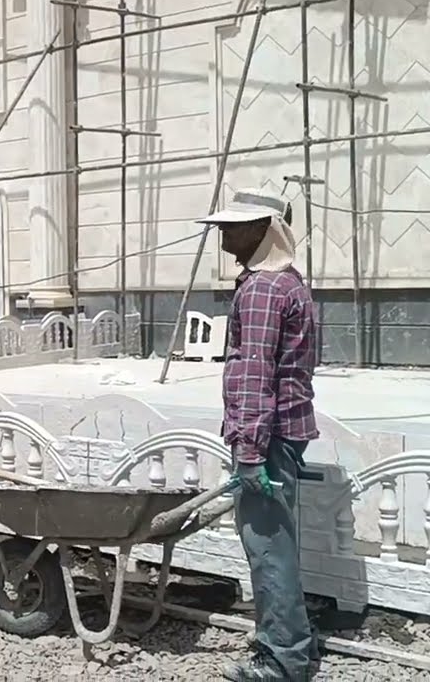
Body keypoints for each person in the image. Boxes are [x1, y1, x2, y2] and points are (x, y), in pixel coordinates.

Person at [197, 190, 319, 682]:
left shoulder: (264, 289)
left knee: (268, 549)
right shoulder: (286, 283)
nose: (224, 234)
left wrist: (248, 453)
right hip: (285, 430)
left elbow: (254, 376)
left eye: (235, 226)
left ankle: (282, 659)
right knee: (279, 546)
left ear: (264, 230)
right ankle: (291, 644)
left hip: (266, 438)